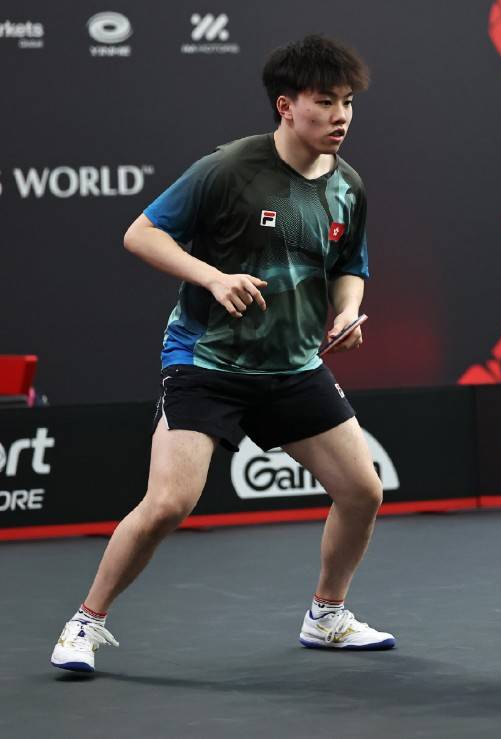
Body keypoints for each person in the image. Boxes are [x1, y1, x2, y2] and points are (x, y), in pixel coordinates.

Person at [51, 35, 393, 673]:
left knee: (362, 492)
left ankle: (327, 616)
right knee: (169, 503)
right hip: (207, 362)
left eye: (348, 102)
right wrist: (212, 277)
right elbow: (141, 234)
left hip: (293, 366)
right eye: (325, 102)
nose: (341, 116)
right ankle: (85, 622)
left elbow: (350, 265)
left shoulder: (348, 185)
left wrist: (347, 311)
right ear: (286, 106)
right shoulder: (230, 168)